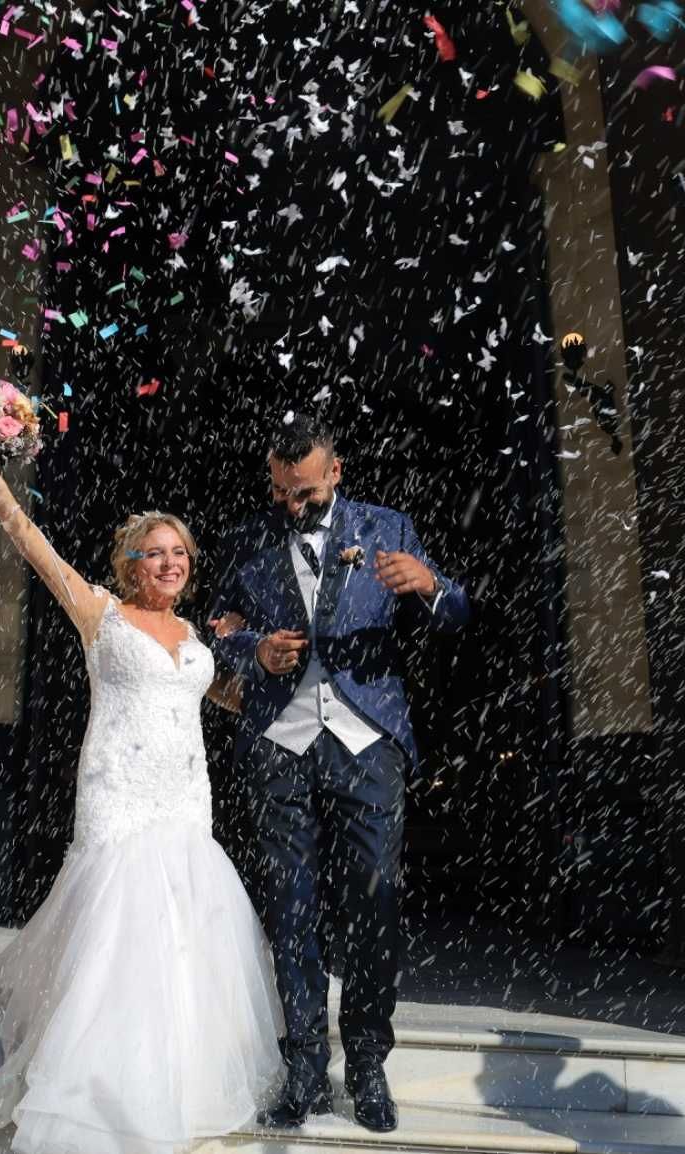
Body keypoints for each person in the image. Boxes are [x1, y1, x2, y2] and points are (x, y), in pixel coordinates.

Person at [0, 468, 284, 1154]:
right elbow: (43, 557)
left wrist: (261, 662)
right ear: (131, 563)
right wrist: (6, 503)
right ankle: (100, 1088)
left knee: (181, 936)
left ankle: (179, 1085)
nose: (170, 563)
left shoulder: (197, 635)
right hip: (119, 790)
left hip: (184, 795)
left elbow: (224, 698)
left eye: (180, 554)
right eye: (157, 552)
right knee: (119, 932)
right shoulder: (101, 614)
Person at [208, 417, 470, 1133]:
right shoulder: (248, 538)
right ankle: (301, 1069)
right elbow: (214, 632)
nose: (293, 506)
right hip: (280, 741)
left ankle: (366, 1064)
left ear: (337, 473)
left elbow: (458, 614)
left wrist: (430, 585)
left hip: (366, 740)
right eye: (283, 493)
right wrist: (254, 652)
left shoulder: (388, 528)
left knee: (373, 903)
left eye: (307, 493)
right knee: (289, 908)